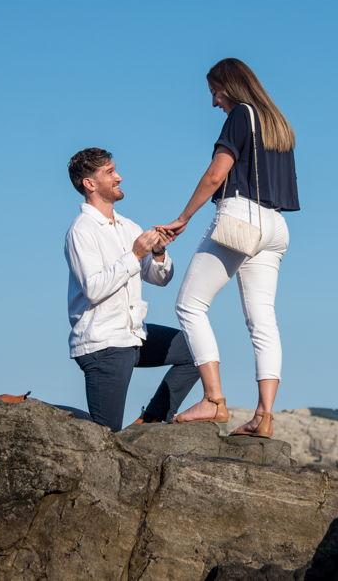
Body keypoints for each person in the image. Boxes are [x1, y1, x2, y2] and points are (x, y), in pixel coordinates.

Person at [160, 58, 299, 438]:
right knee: (263, 320)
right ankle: (264, 416)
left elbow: (215, 174)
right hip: (275, 226)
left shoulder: (242, 115)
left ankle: (214, 399)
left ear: (230, 86)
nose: (214, 102)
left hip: (241, 218)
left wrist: (184, 217)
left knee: (189, 305)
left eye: (215, 92)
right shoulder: (278, 124)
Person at [65, 147, 200, 432]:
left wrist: (159, 252)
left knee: (197, 351)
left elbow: (160, 278)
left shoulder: (128, 226)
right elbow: (93, 289)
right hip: (103, 342)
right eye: (110, 172)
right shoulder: (82, 230)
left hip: (133, 334)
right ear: (89, 184)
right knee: (106, 434)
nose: (119, 177)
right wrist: (135, 254)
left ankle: (149, 422)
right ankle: (38, 413)